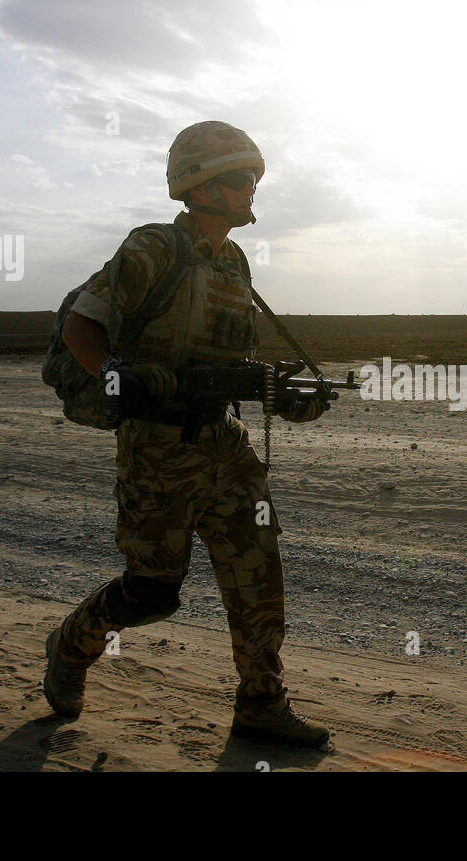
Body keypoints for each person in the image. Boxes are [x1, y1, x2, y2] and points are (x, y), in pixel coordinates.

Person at [42, 120, 331, 750]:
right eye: (236, 179)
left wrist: (280, 396)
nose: (249, 189)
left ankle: (261, 703)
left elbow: (234, 365)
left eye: (253, 178)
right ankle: (71, 645)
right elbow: (81, 328)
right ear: (198, 188)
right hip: (159, 449)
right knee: (151, 593)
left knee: (259, 571)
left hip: (225, 446)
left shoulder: (232, 262)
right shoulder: (151, 249)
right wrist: (120, 380)